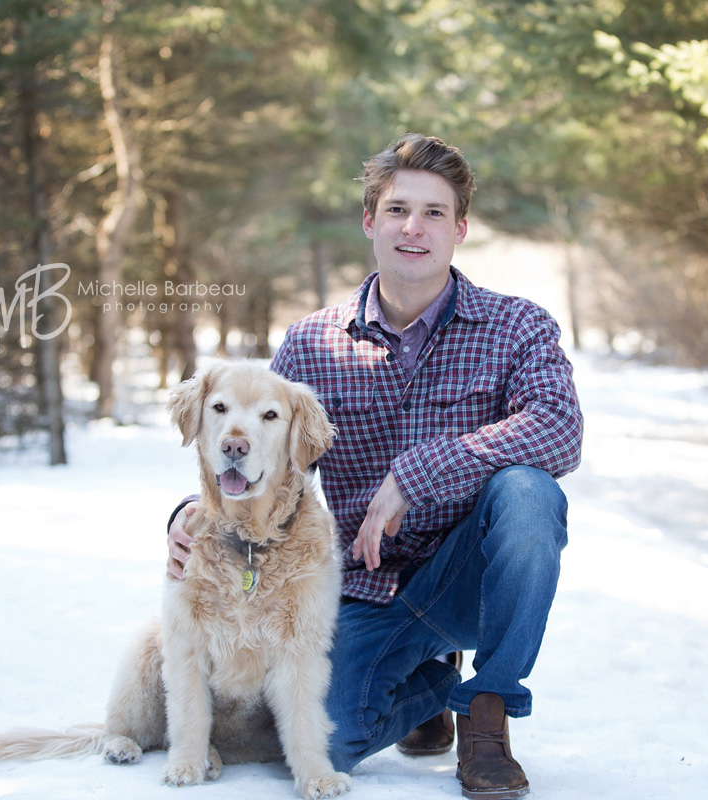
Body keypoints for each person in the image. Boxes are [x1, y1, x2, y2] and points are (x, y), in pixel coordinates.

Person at [166, 133, 583, 799]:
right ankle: (431, 687)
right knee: (320, 740)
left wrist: (415, 475)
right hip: (370, 586)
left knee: (529, 493)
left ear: (460, 229)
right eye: (396, 210)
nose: (413, 228)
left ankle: (488, 712)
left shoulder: (517, 328)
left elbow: (561, 431)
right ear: (370, 221)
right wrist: (193, 516)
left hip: (473, 580)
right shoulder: (310, 344)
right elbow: (258, 450)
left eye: (434, 213)